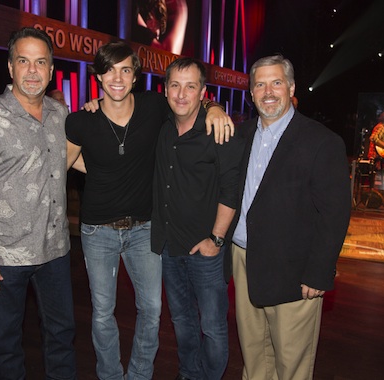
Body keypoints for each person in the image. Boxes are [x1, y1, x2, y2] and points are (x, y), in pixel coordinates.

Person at [65, 41, 232, 380]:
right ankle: (111, 375)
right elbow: (63, 164)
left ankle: (140, 374)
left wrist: (214, 107)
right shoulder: (82, 119)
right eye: (109, 69)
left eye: (126, 69)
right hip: (98, 230)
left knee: (153, 309)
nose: (118, 77)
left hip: (144, 229)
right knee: (102, 313)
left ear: (136, 77)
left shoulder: (155, 106)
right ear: (98, 76)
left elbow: (189, 101)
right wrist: (98, 169)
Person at [0, 27, 76, 379]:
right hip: (5, 255)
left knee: (62, 336)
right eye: (24, 61)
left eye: (41, 62)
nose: (33, 70)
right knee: (6, 345)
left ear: (52, 70)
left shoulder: (59, 116)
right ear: (10, 67)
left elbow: (68, 162)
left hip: (55, 249)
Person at [227, 55, 351, 380]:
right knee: (254, 358)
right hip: (244, 260)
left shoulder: (321, 142)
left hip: (294, 271)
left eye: (276, 82)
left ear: (292, 87)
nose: (268, 91)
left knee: (291, 364)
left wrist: (319, 271)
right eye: (260, 84)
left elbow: (335, 214)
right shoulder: (240, 136)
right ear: (251, 92)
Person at [151, 57, 244, 380]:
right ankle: (189, 375)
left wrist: (215, 240)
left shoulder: (219, 131)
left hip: (207, 252)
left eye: (190, 86)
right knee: (182, 322)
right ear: (165, 91)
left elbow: (231, 193)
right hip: (170, 248)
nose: (181, 94)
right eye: (175, 85)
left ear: (202, 92)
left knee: (213, 328)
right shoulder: (163, 129)